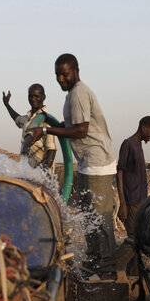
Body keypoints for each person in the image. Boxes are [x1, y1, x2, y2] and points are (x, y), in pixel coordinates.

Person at [28, 53, 117, 278]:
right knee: (89, 215)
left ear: (76, 70)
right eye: (57, 75)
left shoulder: (78, 93)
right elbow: (70, 125)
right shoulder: (70, 96)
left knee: (101, 217)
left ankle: (106, 270)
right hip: (87, 163)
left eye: (64, 74)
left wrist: (47, 130)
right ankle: (95, 263)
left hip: (98, 163)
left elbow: (81, 130)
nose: (60, 79)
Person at [2, 84, 60, 170]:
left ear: (43, 97)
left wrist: (44, 174)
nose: (33, 99)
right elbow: (17, 118)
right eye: (30, 96)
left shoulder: (46, 120)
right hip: (29, 172)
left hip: (40, 173)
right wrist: (7, 104)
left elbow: (51, 150)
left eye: (37, 96)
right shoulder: (27, 119)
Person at [117, 116, 150, 234]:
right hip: (131, 201)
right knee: (134, 238)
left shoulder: (138, 145)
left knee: (140, 237)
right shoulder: (128, 144)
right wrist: (123, 204)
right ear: (144, 128)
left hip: (140, 201)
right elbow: (119, 173)